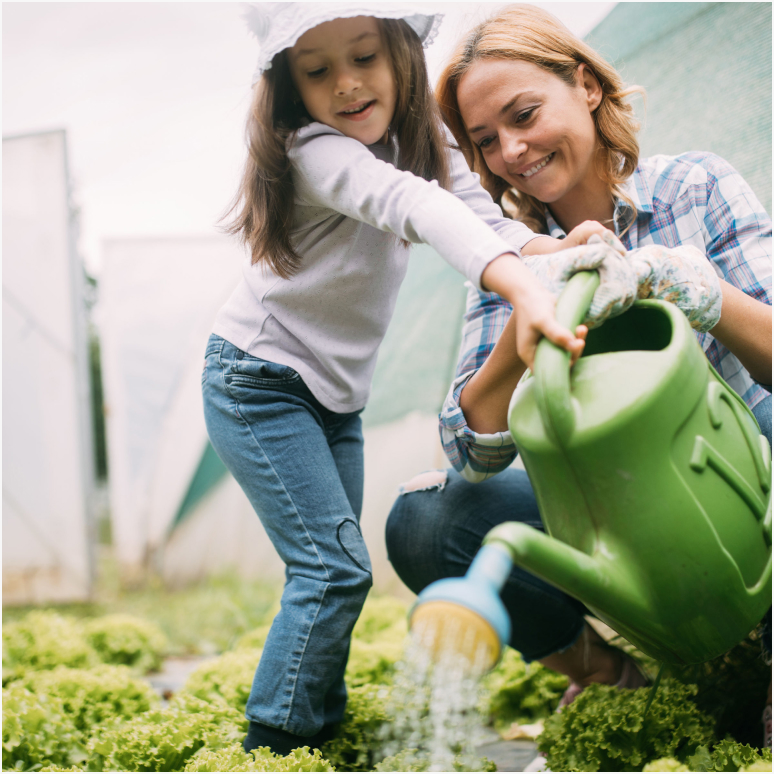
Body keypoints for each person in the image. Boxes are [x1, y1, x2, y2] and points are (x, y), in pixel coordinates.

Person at [201, 3, 634, 756]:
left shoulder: (419, 137)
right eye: (317, 70)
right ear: (287, 87)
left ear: (402, 54)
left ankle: (317, 732)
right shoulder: (316, 153)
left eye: (364, 57)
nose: (346, 84)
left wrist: (554, 254)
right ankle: (274, 748)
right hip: (258, 383)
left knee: (343, 575)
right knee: (332, 571)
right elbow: (415, 204)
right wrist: (522, 290)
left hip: (332, 399)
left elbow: (480, 216)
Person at [386, 2, 772, 753]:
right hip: (615, 515)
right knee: (427, 521)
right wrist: (534, 299)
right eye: (486, 141)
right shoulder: (509, 260)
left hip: (738, 485)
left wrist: (688, 286)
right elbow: (471, 456)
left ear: (587, 87)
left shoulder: (693, 188)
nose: (513, 150)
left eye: (524, 114)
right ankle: (606, 672)